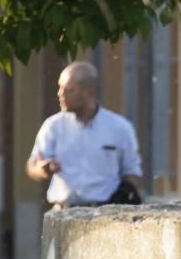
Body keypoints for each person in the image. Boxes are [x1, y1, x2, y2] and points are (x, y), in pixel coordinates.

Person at [27, 61, 143, 208]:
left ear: (89, 93)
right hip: (64, 212)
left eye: (68, 89)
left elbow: (132, 172)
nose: (60, 94)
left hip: (104, 212)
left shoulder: (119, 128)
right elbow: (32, 166)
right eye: (60, 88)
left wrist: (122, 197)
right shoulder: (54, 126)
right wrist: (42, 169)